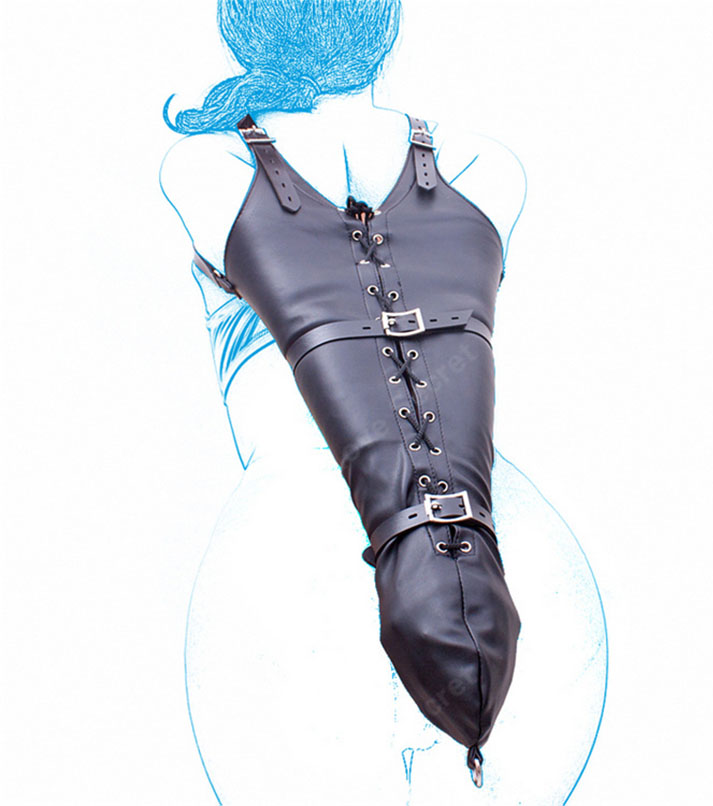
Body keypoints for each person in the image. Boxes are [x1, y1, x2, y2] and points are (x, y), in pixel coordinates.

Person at [160, 2, 607, 802]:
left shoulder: (203, 169)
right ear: (385, 22)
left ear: (244, 24)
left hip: (287, 555)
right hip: (508, 556)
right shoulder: (485, 166)